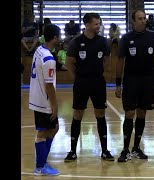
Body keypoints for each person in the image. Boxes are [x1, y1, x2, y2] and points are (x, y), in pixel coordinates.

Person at [115, 9, 154, 162]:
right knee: (129, 113)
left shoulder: (153, 37)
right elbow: (120, 61)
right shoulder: (126, 38)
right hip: (131, 80)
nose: (143, 20)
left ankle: (136, 147)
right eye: (140, 18)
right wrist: (118, 83)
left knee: (142, 113)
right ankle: (125, 149)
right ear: (133, 21)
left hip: (148, 80)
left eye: (144, 18)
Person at [64, 13, 114, 162]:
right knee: (78, 113)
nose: (98, 26)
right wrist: (78, 78)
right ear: (87, 25)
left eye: (99, 23)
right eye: (96, 24)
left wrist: (96, 73)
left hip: (98, 82)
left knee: (100, 114)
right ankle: (72, 151)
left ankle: (105, 151)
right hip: (81, 83)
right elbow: (69, 62)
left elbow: (105, 60)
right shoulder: (76, 42)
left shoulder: (103, 42)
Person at [29, 24, 61, 176]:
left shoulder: (39, 50)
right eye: (59, 37)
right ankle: (40, 166)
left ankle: (42, 161)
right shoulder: (49, 58)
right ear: (54, 37)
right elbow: (49, 86)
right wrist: (54, 106)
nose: (60, 39)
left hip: (37, 97)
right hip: (43, 101)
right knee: (42, 133)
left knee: (53, 128)